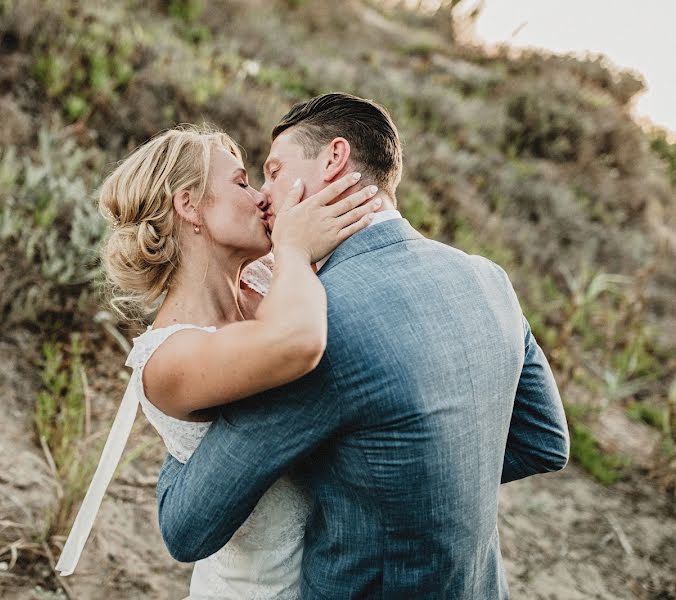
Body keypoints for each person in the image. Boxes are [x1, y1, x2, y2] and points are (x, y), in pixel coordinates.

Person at [155, 93, 570, 599]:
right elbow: (543, 441)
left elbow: (186, 526)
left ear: (334, 159)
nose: (265, 195)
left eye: (276, 171)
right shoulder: (486, 278)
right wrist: (416, 489)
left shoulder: (319, 324)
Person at [54, 123, 384, 598]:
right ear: (190, 206)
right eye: (241, 183)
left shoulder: (268, 280)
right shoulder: (168, 358)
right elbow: (296, 342)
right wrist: (293, 247)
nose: (262, 198)